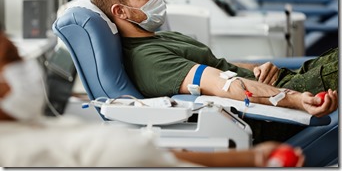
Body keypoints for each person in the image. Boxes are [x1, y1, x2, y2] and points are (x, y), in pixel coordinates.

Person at [89, 0, 338, 143]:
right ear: (120, 11)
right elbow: (224, 85)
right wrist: (296, 100)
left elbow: (222, 66)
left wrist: (258, 68)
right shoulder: (148, 60)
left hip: (281, 85)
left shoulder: (161, 38)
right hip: (270, 115)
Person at [0, 29, 305, 167]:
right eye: (14, 59)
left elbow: (154, 156)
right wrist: (298, 100)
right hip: (267, 108)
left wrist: (250, 159)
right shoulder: (19, 157)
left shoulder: (44, 129)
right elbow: (224, 83)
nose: (27, 68)